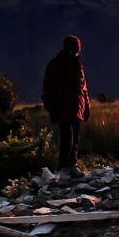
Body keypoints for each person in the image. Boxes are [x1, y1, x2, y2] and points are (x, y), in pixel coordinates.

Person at [42, 35, 91, 179]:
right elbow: (48, 89)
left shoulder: (77, 65)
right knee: (67, 138)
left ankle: (72, 166)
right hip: (62, 108)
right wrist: (52, 108)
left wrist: (86, 107)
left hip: (77, 107)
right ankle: (64, 168)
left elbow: (83, 89)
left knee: (74, 138)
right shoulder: (55, 64)